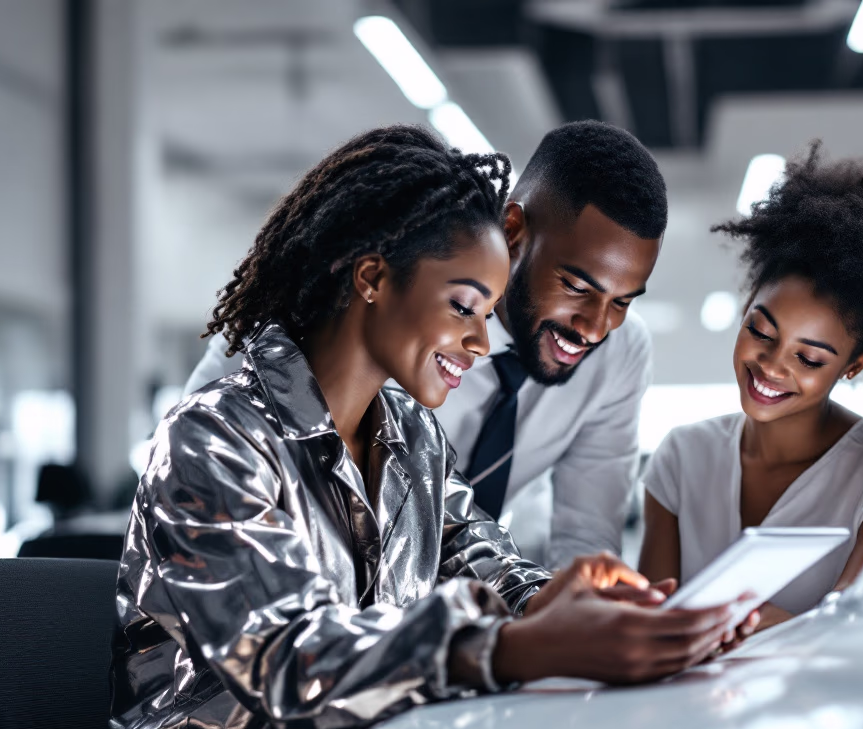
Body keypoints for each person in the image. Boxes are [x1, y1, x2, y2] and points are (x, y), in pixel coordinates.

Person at [88, 126, 733, 729]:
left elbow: (483, 557)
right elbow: (288, 658)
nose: (484, 343)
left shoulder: (409, 435)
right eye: (464, 307)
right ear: (371, 278)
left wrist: (573, 604)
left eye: (488, 312)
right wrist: (507, 648)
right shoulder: (212, 437)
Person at [185, 120, 668, 569]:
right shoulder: (229, 421)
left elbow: (480, 549)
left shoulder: (415, 437)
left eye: (623, 302)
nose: (596, 328)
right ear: (514, 231)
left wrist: (577, 615)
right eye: (577, 287)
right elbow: (277, 615)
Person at [639, 143, 863, 638]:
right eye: (761, 332)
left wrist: (770, 628)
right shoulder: (683, 454)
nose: (771, 365)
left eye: (808, 358)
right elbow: (646, 622)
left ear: (854, 365)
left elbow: (857, 632)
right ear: (744, 309)